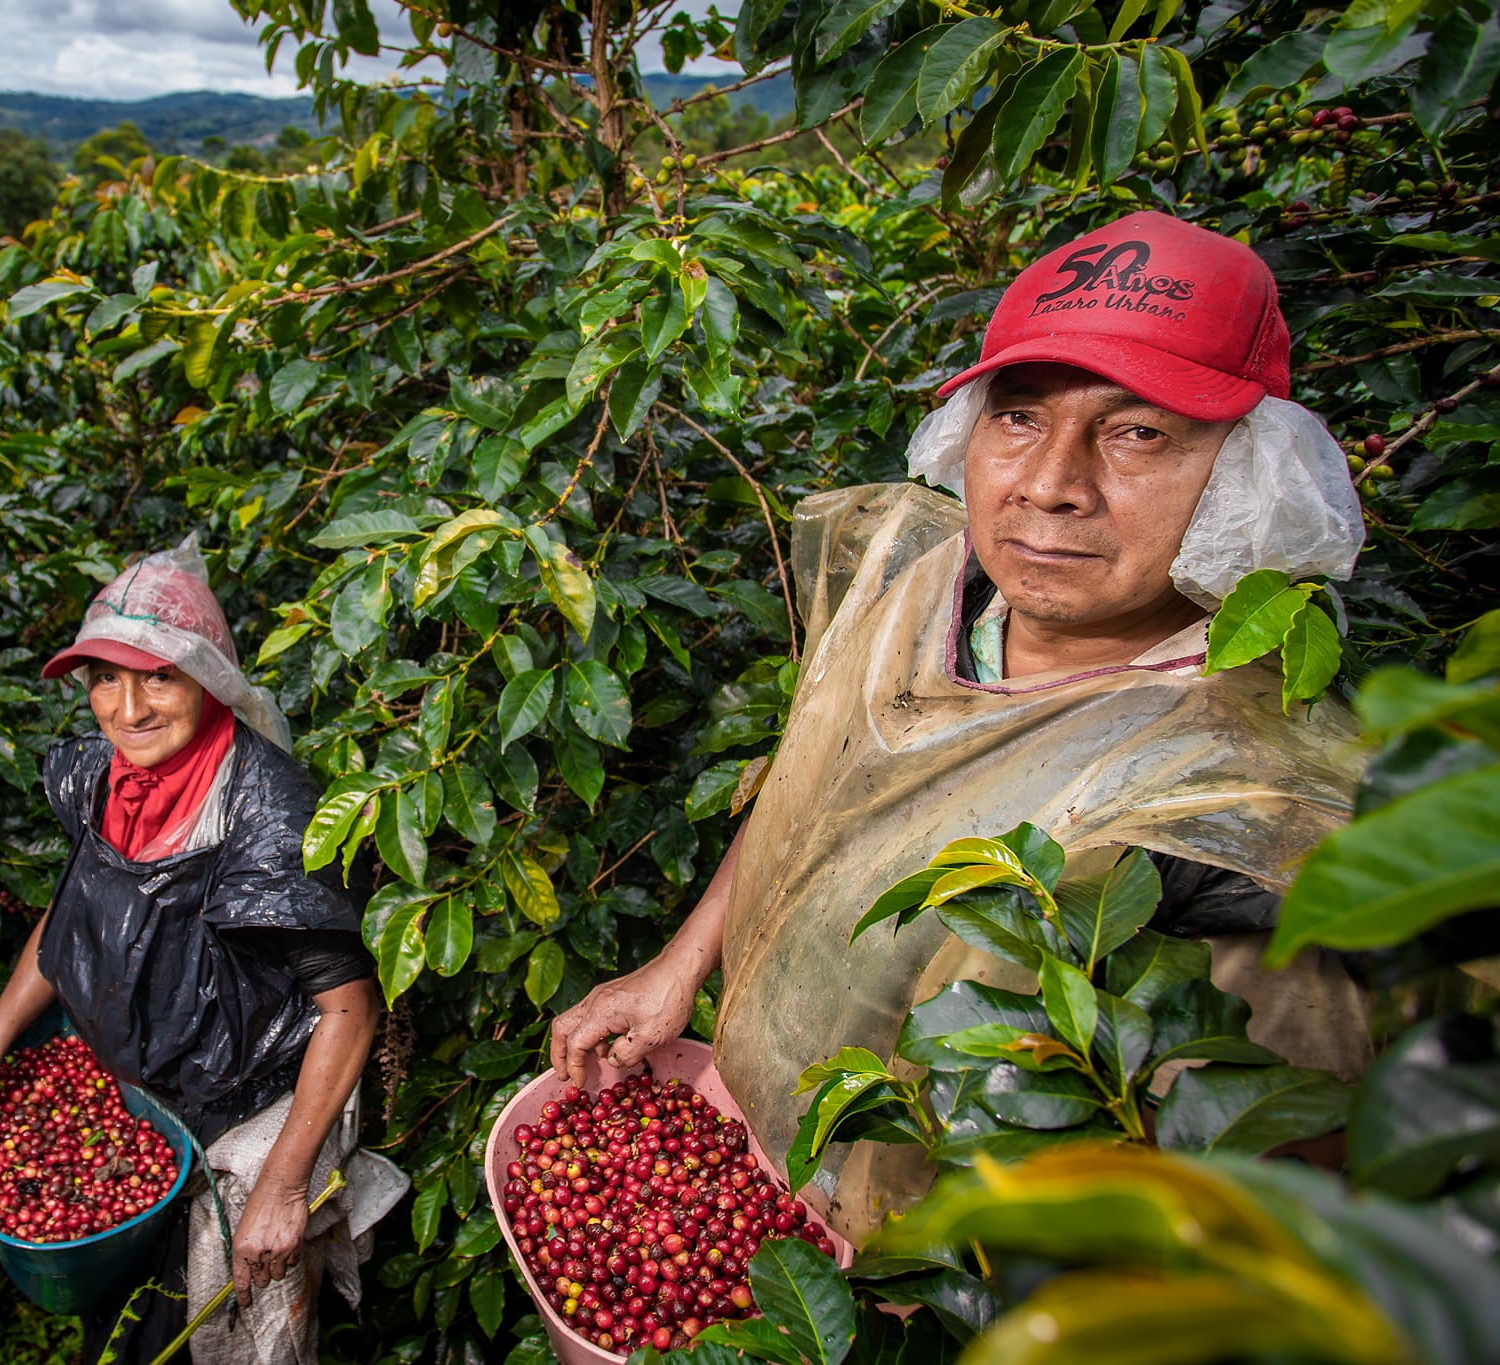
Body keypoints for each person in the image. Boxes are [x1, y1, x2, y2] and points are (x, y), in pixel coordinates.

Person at [549, 210, 1372, 1238]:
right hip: (765, 1150)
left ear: (1247, 475)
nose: (1050, 485)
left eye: (1137, 433)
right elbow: (819, 775)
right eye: (1018, 417)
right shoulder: (923, 584)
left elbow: (1268, 1199)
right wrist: (676, 969)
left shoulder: (1245, 807)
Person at [0, 540, 396, 1364]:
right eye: (105, 677)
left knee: (206, 1330)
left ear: (208, 680)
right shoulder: (109, 777)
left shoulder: (270, 818)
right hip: (128, 1100)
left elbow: (350, 1009)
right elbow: (73, 915)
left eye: (158, 676)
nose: (126, 707)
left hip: (228, 1115)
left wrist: (282, 1185)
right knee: (120, 1316)